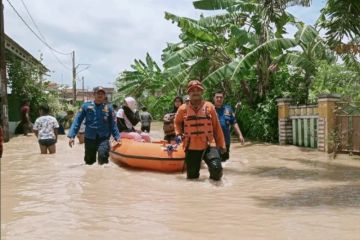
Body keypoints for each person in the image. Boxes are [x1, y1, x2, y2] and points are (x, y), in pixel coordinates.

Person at [174, 80, 226, 181]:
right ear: (188, 93)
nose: (195, 92)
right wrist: (178, 133)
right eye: (192, 90)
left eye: (198, 90)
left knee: (217, 170)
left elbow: (217, 127)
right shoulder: (182, 109)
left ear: (202, 92)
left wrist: (222, 144)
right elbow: (177, 122)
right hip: (191, 146)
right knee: (192, 178)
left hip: (209, 144)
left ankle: (214, 192)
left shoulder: (209, 107)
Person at [67, 86, 121, 165]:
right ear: (94, 94)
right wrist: (72, 136)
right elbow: (77, 121)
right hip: (89, 138)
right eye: (98, 93)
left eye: (102, 93)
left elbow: (113, 124)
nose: (100, 95)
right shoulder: (86, 106)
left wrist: (117, 137)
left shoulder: (109, 108)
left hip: (103, 138)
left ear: (105, 95)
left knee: (103, 157)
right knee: (89, 162)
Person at [213, 91, 245, 162]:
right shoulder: (210, 109)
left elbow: (234, 123)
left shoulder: (228, 109)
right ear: (214, 98)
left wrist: (240, 135)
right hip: (213, 142)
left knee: (224, 161)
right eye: (217, 97)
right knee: (214, 163)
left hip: (226, 141)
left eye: (221, 97)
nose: (219, 99)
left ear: (223, 98)